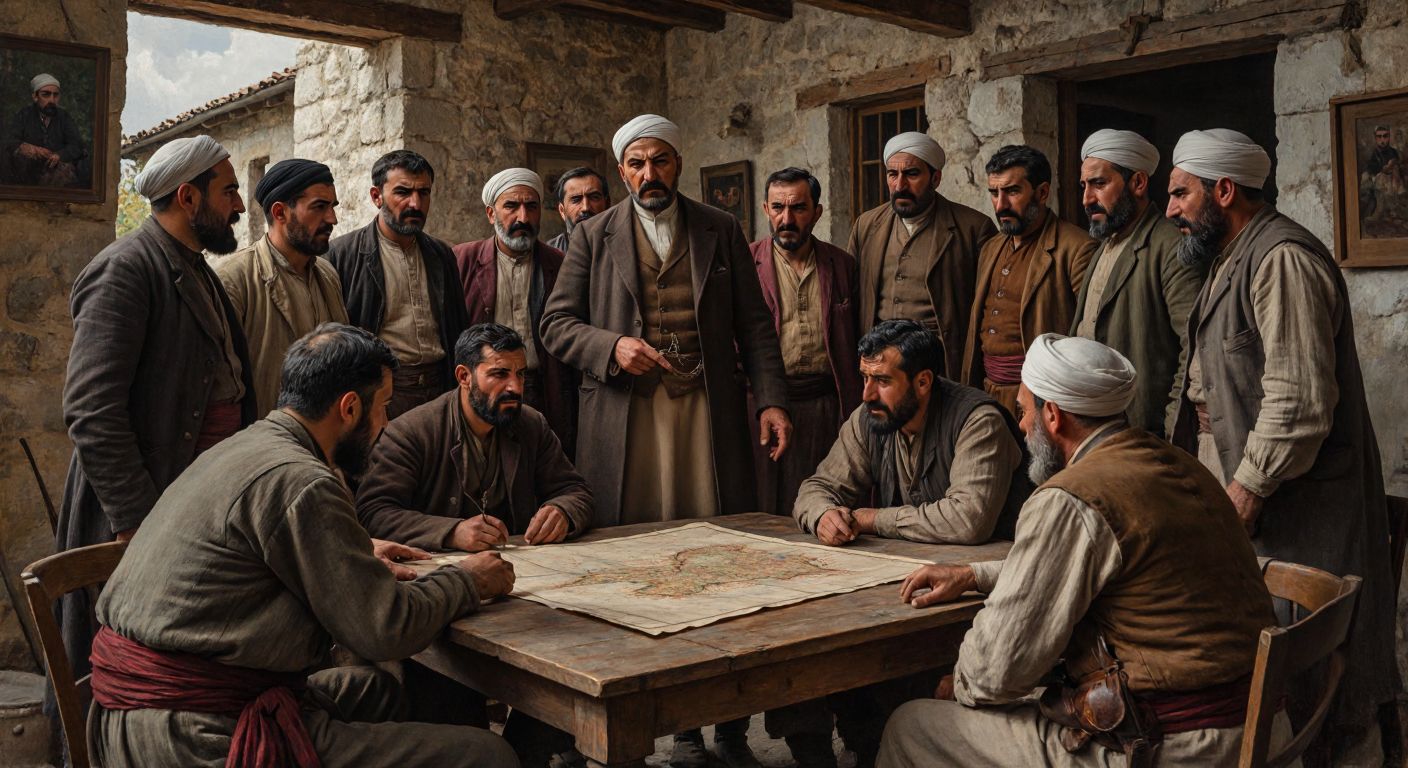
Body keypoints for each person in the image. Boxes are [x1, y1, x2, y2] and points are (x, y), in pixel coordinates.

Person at [88, 322, 518, 768]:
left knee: (381, 691)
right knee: (488, 754)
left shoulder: (244, 447)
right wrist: (466, 581)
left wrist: (355, 550)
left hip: (131, 714)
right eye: (383, 408)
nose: (385, 424)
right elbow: (385, 629)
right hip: (194, 734)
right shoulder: (302, 481)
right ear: (350, 408)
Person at [877, 334, 1288, 767]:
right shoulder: (1177, 463)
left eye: (1023, 411)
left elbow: (993, 674)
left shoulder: (1071, 497)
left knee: (913, 725)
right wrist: (974, 575)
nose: (1021, 425)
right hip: (1261, 728)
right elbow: (1120, 562)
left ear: (1052, 415)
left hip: (1178, 749)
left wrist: (956, 684)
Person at [541, 113, 791, 768]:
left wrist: (769, 401)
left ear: (678, 162)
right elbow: (555, 325)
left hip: (707, 418)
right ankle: (673, 725)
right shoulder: (592, 236)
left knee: (722, 567)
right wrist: (611, 346)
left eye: (661, 161)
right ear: (622, 169)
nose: (649, 174)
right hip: (628, 425)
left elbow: (756, 327)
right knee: (643, 572)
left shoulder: (721, 228)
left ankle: (731, 726)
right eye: (637, 163)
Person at [1167, 128, 1399, 763]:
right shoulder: (1231, 256)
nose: (1171, 210)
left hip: (1303, 509)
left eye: (1180, 194)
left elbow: (1297, 403)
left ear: (1224, 189)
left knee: (1323, 679)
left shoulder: (1281, 259)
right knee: (1279, 671)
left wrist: (1247, 488)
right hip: (1263, 499)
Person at [57, 134, 256, 690]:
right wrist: (136, 521)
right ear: (188, 197)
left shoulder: (197, 269)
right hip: (142, 511)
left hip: (196, 505)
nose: (240, 205)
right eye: (230, 191)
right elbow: (91, 410)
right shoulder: (125, 269)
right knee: (120, 671)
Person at [790, 319, 1027, 768]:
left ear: (922, 380)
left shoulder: (977, 420)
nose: (866, 394)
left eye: (881, 381)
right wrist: (824, 514)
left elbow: (967, 520)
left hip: (982, 593)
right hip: (909, 588)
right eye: (865, 378)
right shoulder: (870, 417)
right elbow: (817, 486)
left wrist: (871, 518)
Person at [1071, 129, 1204, 437]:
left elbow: (1196, 346)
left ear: (1138, 183)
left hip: (1142, 432)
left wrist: (1171, 431)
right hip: (1096, 427)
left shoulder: (1170, 247)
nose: (1087, 199)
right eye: (1084, 186)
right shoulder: (1106, 242)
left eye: (1099, 184)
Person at [748, 167, 861, 517]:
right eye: (778, 208)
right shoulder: (745, 263)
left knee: (827, 497)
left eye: (798, 208)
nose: (787, 218)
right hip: (765, 403)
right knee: (766, 501)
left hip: (828, 403)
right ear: (766, 209)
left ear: (817, 211)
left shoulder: (841, 265)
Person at [327, 149, 469, 418]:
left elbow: (457, 327)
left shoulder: (441, 254)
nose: (415, 203)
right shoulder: (342, 255)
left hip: (440, 389)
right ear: (376, 196)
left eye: (423, 193)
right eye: (403, 192)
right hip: (381, 394)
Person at [959, 145, 1096, 417]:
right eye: (994, 193)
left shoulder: (1077, 248)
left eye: (1012, 191)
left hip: (1042, 398)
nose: (1000, 205)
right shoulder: (990, 247)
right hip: (985, 394)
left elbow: (1089, 338)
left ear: (1042, 192)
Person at [846, 131, 994, 377]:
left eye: (912, 174)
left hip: (941, 364)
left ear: (935, 178)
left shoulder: (973, 228)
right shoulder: (866, 225)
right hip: (880, 364)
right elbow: (850, 295)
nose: (900, 185)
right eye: (893, 174)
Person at [454, 168, 577, 452]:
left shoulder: (560, 264)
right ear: (491, 214)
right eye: (511, 206)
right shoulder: (462, 260)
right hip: (483, 391)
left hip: (544, 388)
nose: (522, 217)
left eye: (531, 207)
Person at [214, 158, 348, 416]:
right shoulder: (234, 280)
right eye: (319, 207)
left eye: (332, 206)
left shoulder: (328, 274)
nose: (332, 218)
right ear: (280, 213)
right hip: (266, 443)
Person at [4, 73, 88, 187]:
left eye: (55, 95)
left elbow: (76, 145)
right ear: (35, 96)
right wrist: (29, 148)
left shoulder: (64, 117)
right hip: (27, 173)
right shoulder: (23, 115)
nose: (52, 100)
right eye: (46, 95)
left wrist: (59, 155)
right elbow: (9, 141)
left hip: (56, 173)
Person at [546, 166, 611, 253]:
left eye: (594, 197)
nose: (585, 207)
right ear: (562, 210)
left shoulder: (625, 246)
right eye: (576, 199)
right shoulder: (548, 254)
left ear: (607, 204)